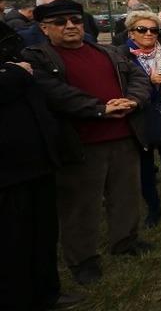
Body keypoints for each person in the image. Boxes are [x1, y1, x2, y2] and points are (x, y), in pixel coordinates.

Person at [23, 0, 153, 286]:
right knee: (82, 204)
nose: (70, 26)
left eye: (75, 20)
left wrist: (133, 100)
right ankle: (83, 259)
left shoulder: (106, 50)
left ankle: (125, 240)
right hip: (81, 143)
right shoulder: (37, 58)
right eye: (60, 22)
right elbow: (55, 93)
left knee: (125, 195)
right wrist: (100, 108)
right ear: (44, 28)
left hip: (123, 135)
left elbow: (139, 78)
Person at [0, 19, 82, 310]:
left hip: (38, 156)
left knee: (43, 232)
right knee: (13, 238)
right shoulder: (18, 66)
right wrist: (16, 73)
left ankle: (48, 292)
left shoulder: (8, 35)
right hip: (8, 170)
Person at [121, 10, 161, 228]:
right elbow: (120, 86)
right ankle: (153, 209)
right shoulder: (121, 55)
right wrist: (148, 81)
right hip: (140, 117)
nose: (149, 33)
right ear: (131, 32)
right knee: (146, 168)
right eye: (142, 29)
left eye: (154, 30)